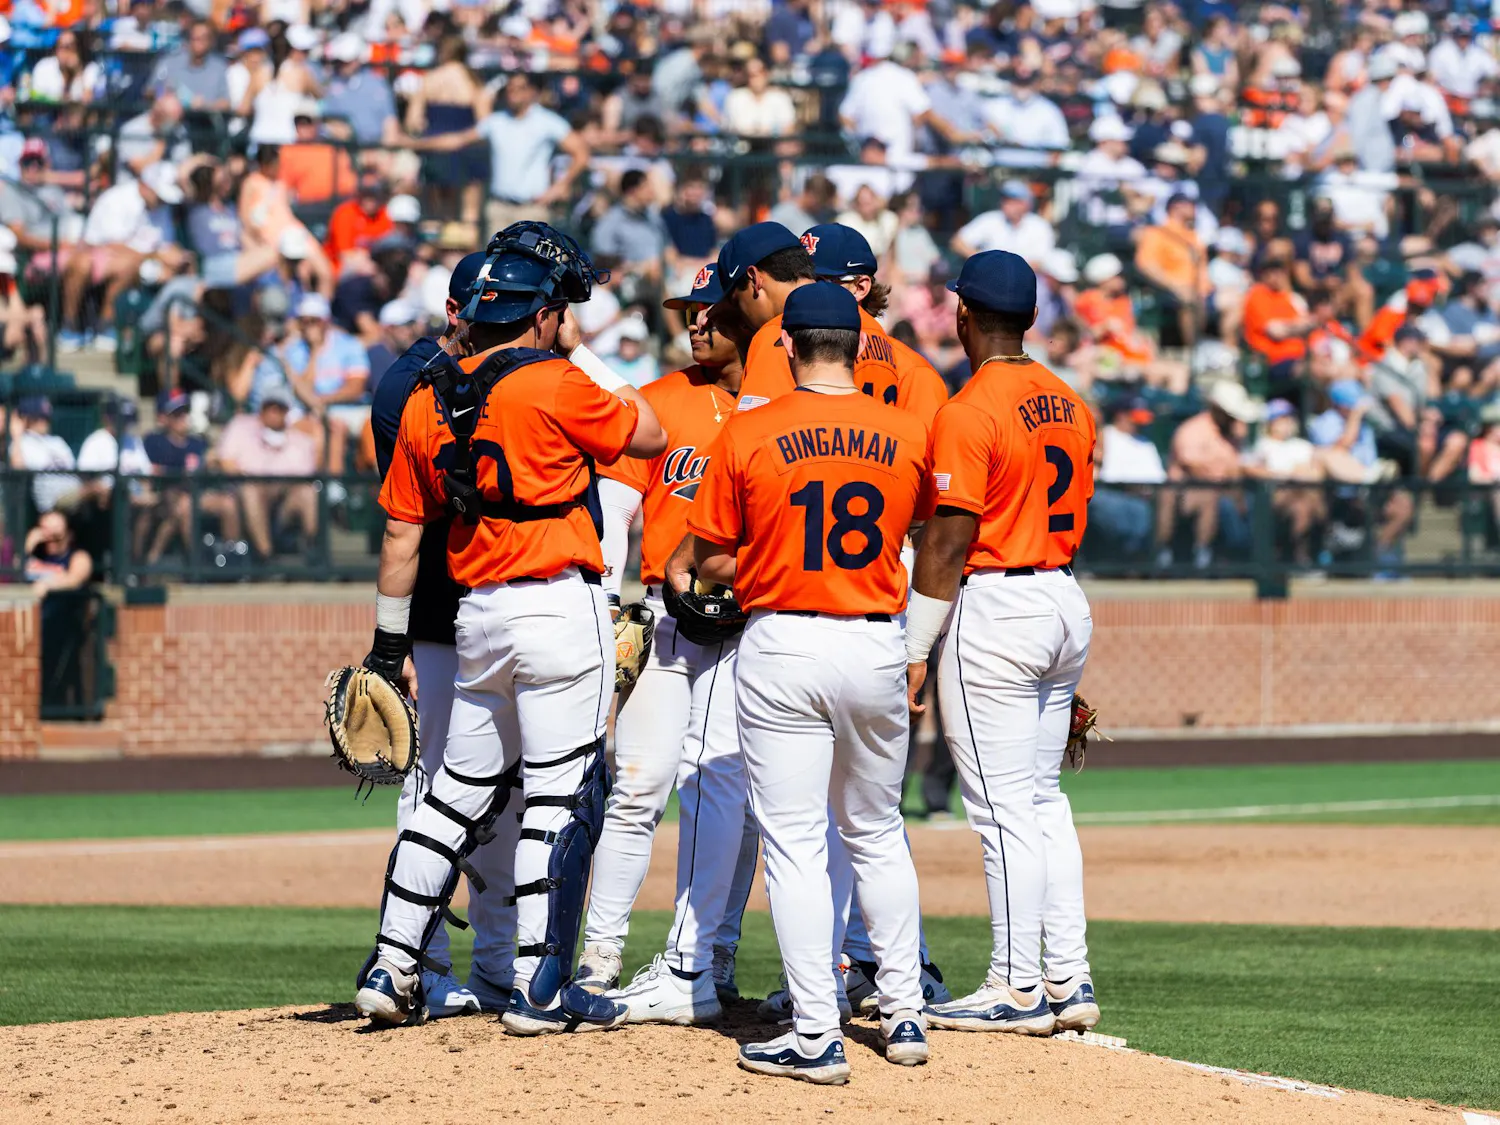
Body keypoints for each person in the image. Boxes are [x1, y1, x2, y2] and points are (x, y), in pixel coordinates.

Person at [353, 225, 667, 1035]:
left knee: (450, 795)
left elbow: (399, 537)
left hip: (475, 612)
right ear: (538, 316)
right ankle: (535, 986)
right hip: (559, 603)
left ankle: (392, 962)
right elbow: (650, 436)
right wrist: (596, 373)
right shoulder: (556, 383)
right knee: (558, 802)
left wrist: (387, 648)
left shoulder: (424, 395)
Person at [688, 282, 932, 1082]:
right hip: (874, 640)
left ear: (786, 346)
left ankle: (817, 1034)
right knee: (877, 830)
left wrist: (757, 557)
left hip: (784, 637)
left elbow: (710, 558)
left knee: (795, 842)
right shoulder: (906, 430)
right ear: (862, 347)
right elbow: (915, 531)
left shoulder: (751, 430)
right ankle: (903, 1013)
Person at [906, 250, 1099, 1038]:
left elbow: (947, 545)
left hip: (998, 604)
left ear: (963, 316)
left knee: (999, 807)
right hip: (1061, 594)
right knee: (1044, 800)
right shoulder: (1071, 399)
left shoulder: (968, 407)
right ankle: (1068, 972)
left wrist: (915, 647)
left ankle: (1016, 986)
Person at [577, 264, 756, 1021]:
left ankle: (711, 953)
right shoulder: (656, 402)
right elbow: (615, 512)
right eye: (688, 311)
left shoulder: (776, 405)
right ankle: (599, 953)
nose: (696, 323)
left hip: (753, 626)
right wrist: (613, 608)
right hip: (666, 615)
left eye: (710, 311)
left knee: (732, 794)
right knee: (640, 783)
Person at [360, 250, 519, 1020]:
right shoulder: (408, 384)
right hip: (440, 614)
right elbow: (417, 518)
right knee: (435, 788)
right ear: (457, 310)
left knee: (504, 797)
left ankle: (496, 965)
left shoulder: (509, 373)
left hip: (499, 606)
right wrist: (391, 651)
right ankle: (416, 958)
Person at [714, 222, 897, 411]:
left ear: (754, 279)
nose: (741, 316)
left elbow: (751, 433)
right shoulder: (882, 338)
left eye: (736, 302)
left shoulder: (777, 333)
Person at [410, 72, 590, 235]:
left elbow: (581, 153)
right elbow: (459, 140)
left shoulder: (547, 121)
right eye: (510, 88)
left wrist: (559, 187)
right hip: (499, 207)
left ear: (533, 92)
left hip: (532, 209)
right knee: (494, 267)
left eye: (520, 88)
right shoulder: (496, 121)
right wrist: (415, 143)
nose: (513, 93)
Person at [214, 387, 320, 559]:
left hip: (283, 501)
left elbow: (305, 476)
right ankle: (266, 556)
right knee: (251, 490)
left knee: (308, 492)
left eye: (279, 408)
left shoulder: (297, 438)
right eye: (270, 407)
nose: (274, 413)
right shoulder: (241, 426)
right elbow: (227, 464)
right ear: (262, 409)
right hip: (245, 496)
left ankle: (314, 551)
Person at [140, 389, 243, 566]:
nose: (183, 418)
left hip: (198, 493)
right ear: (163, 417)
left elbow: (208, 469)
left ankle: (232, 560)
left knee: (228, 503)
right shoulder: (154, 441)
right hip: (167, 498)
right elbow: (154, 474)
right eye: (176, 414)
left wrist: (213, 463)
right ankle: (197, 565)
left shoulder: (198, 442)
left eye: (185, 412)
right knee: (185, 505)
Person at [950, 181, 1055, 263]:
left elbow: (1039, 262)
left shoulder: (1039, 226)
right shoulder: (990, 219)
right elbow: (958, 242)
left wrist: (1006, 270)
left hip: (1027, 283)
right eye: (1005, 199)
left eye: (1013, 200)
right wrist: (982, 260)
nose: (1007, 204)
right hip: (989, 277)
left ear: (1026, 204)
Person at [8, 396, 80, 514]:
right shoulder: (21, 443)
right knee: (98, 490)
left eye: (46, 417)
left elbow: (75, 472)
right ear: (26, 418)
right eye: (38, 417)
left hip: (75, 491)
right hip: (53, 501)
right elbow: (17, 470)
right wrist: (16, 435)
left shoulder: (57, 441)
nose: (44, 421)